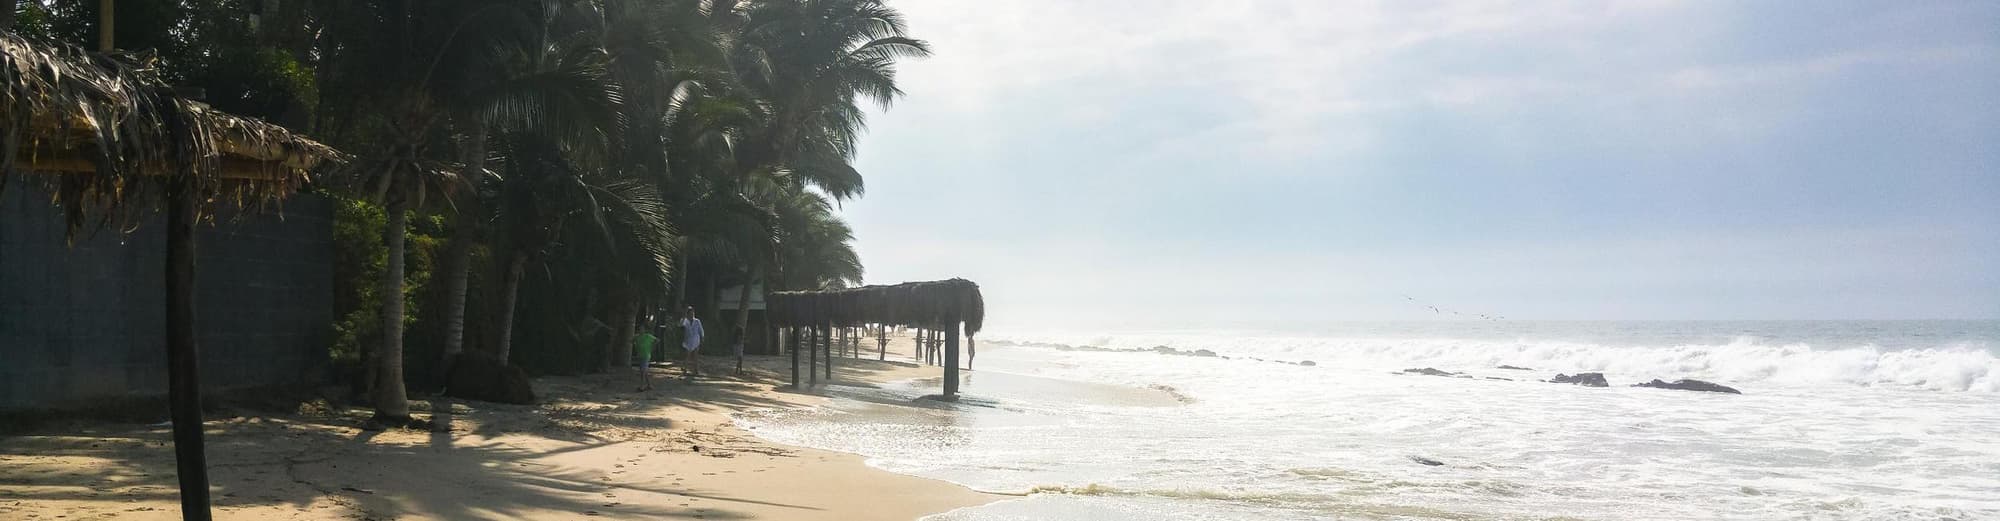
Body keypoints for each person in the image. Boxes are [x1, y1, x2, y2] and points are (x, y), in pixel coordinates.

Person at [679, 306, 704, 377]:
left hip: (696, 340)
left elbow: (701, 329)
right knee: (687, 355)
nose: (692, 314)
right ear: (687, 314)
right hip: (688, 340)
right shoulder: (684, 320)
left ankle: (696, 370)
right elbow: (680, 325)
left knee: (695, 356)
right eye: (690, 313)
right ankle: (685, 369)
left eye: (693, 313)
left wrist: (702, 337)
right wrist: (684, 316)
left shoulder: (697, 321)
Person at [633, 325, 659, 391]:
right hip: (640, 355)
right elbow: (631, 341)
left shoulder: (648, 336)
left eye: (642, 329)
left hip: (646, 355)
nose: (640, 330)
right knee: (645, 371)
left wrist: (652, 347)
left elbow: (657, 340)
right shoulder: (637, 337)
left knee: (643, 371)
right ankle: (649, 385)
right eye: (639, 329)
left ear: (644, 330)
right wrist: (636, 346)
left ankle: (641, 386)